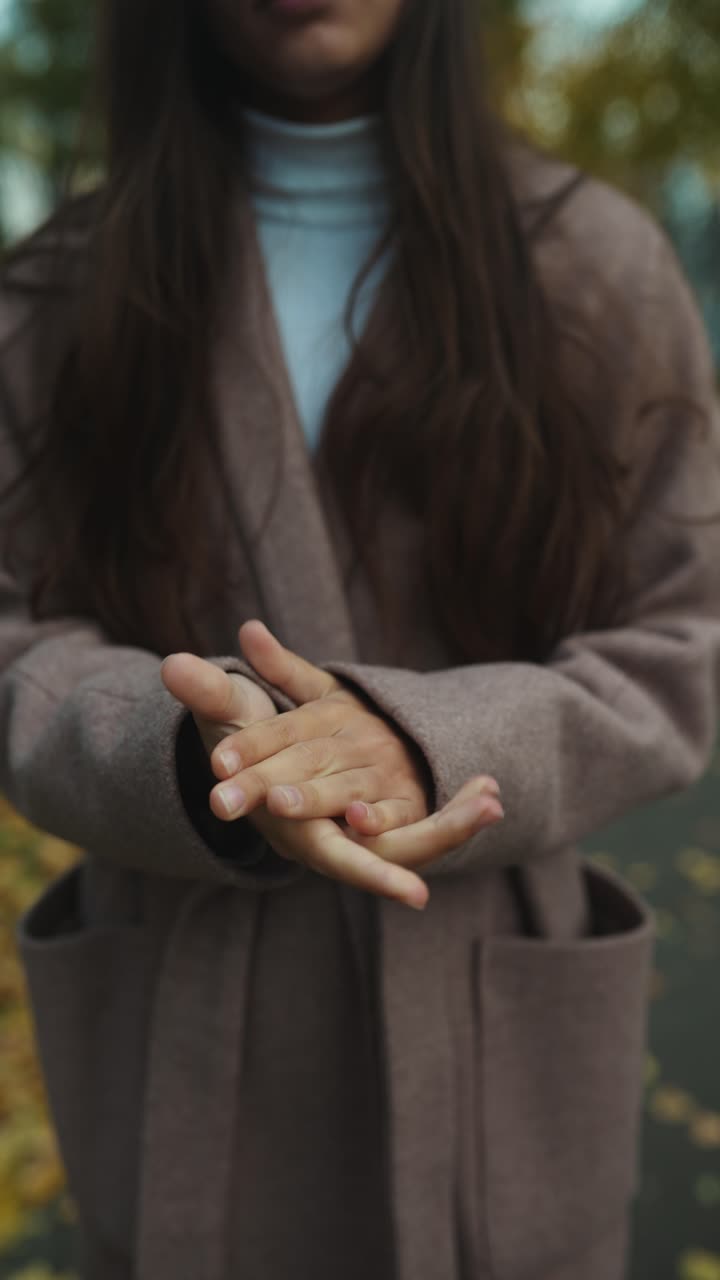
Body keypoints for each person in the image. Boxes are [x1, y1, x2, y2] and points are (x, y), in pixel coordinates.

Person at [1, 0, 718, 1277]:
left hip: (491, 1021)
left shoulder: (598, 263)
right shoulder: (59, 289)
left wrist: (419, 739)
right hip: (183, 1024)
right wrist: (198, 755)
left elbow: (684, 636)